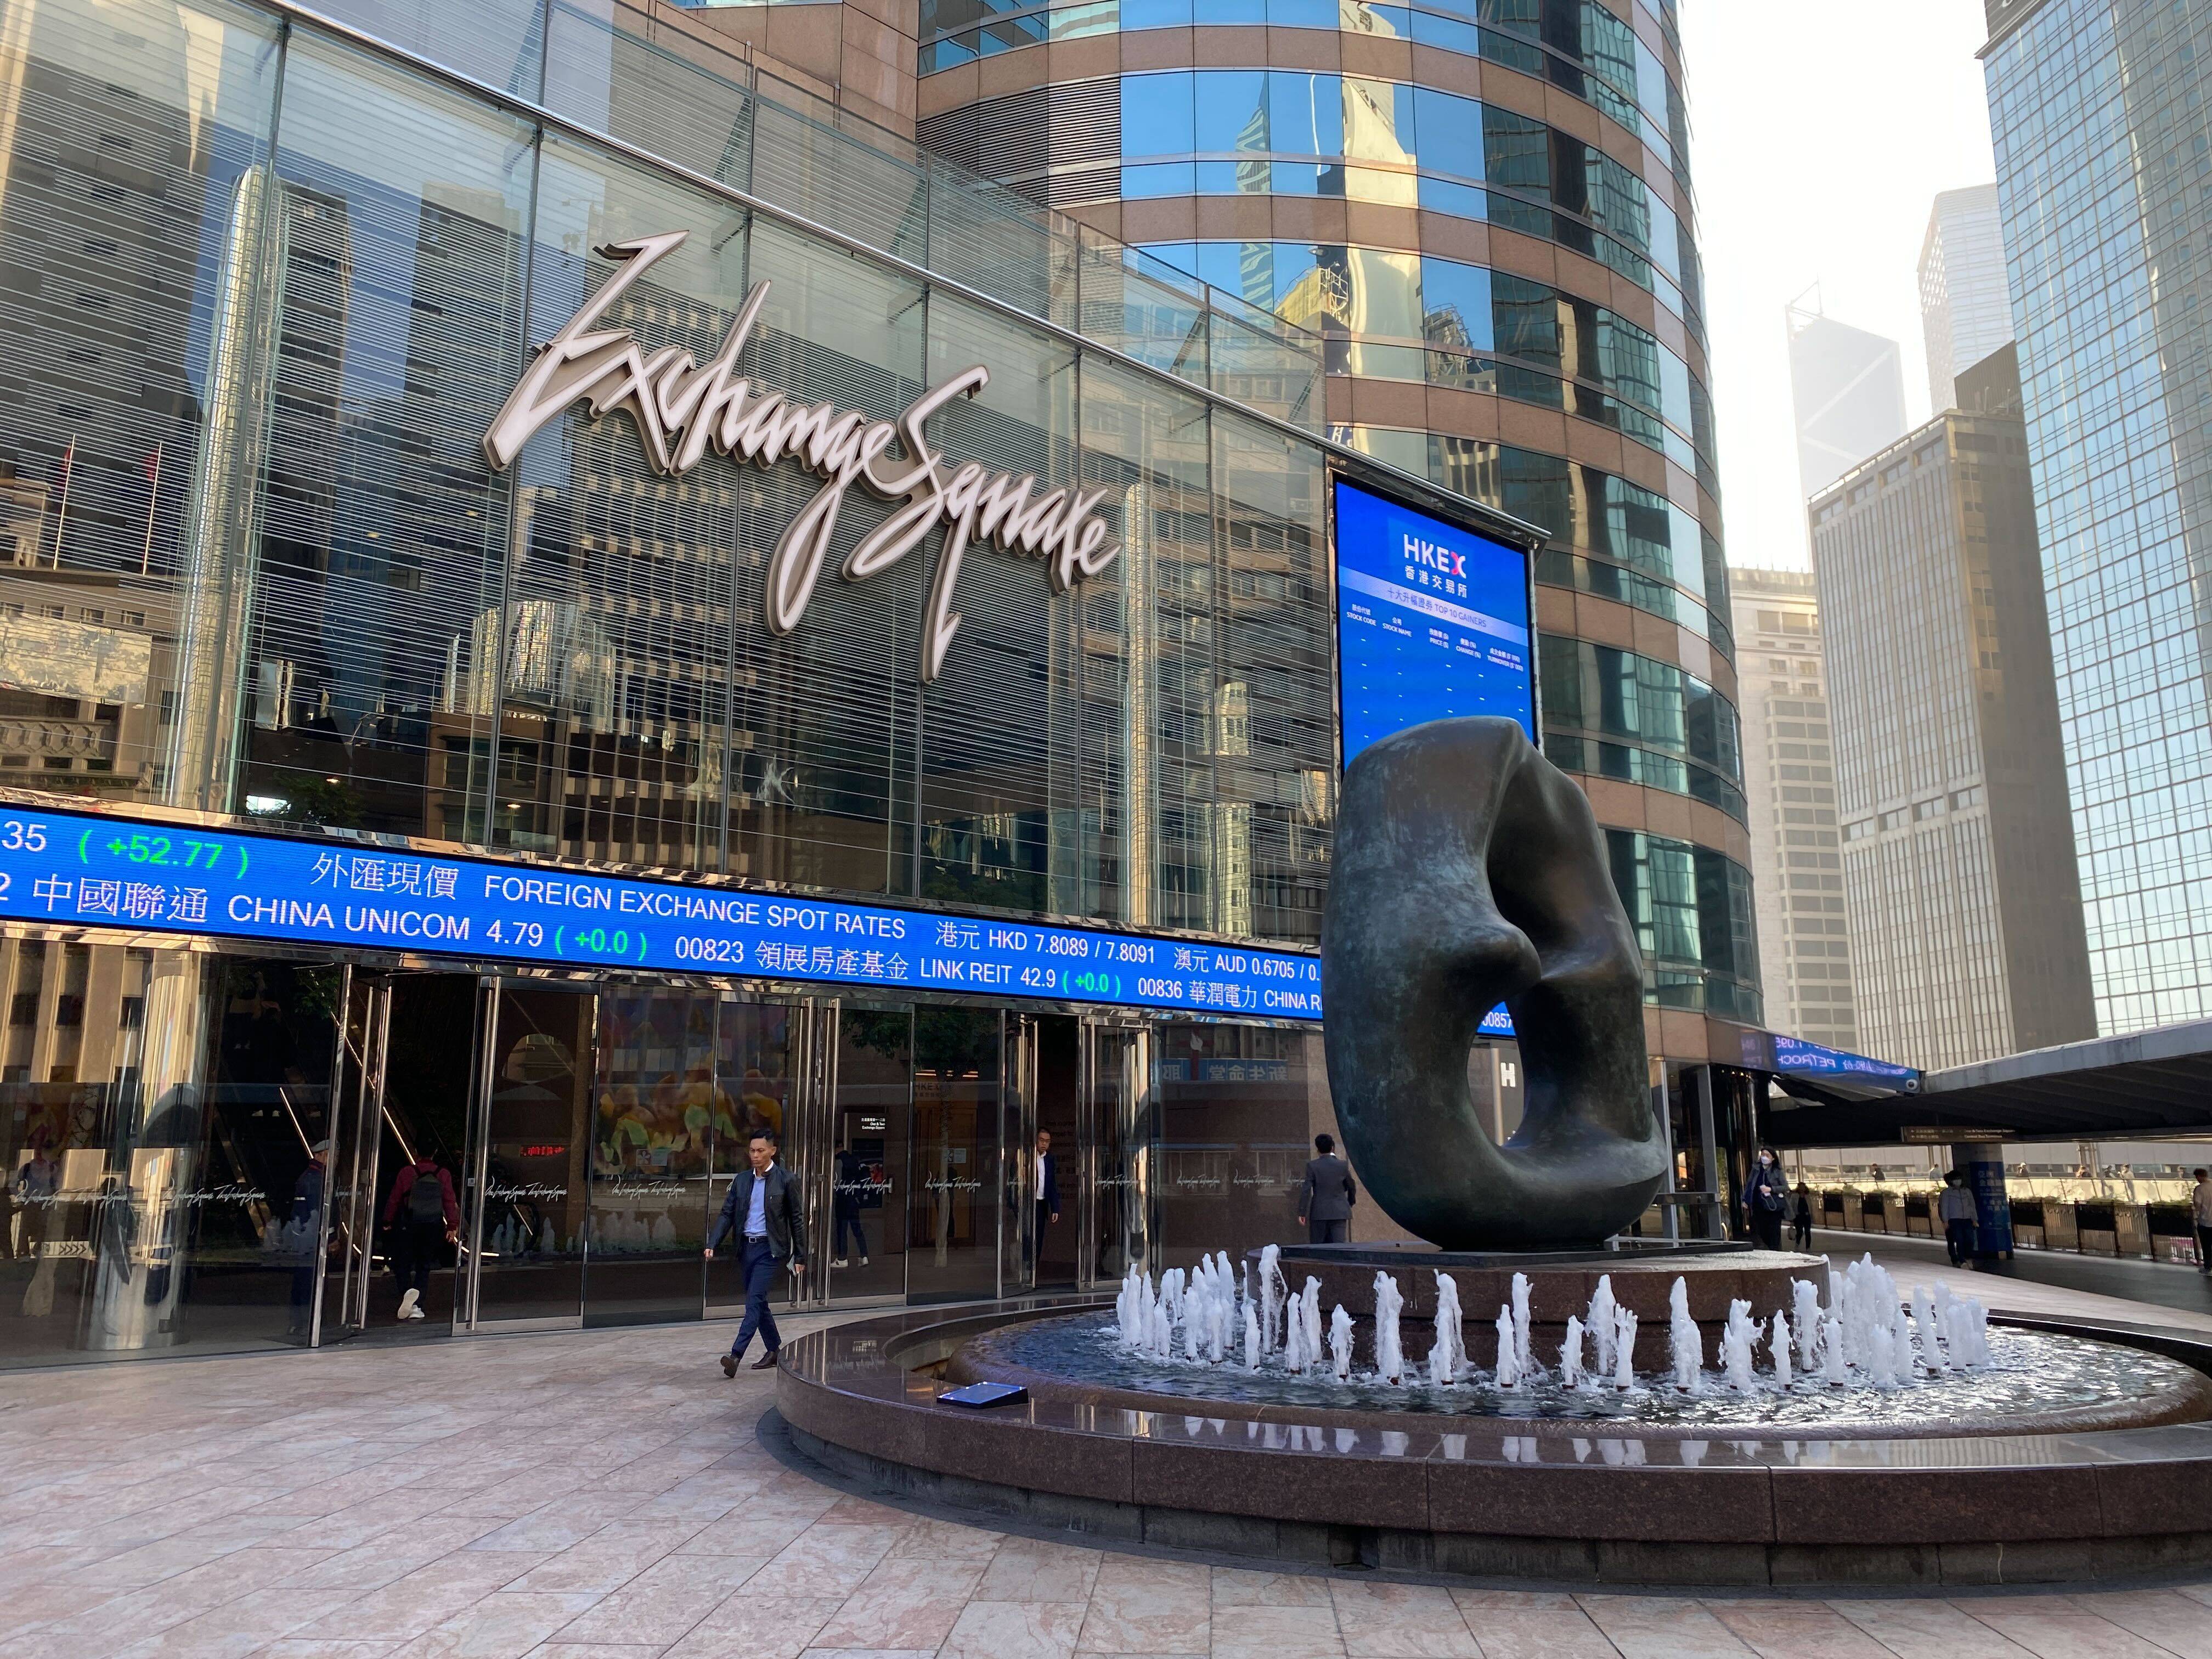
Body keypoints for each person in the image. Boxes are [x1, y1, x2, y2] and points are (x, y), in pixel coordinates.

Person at [705, 1128, 806, 1375]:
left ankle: (735, 1356)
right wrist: (712, 1242)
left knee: (753, 1302)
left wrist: (801, 1256)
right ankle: (774, 1350)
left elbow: (797, 1219)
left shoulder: (786, 1180)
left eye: (761, 1150)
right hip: (746, 1249)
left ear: (773, 1151)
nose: (755, 1155)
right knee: (759, 1302)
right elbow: (727, 1213)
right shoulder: (742, 1180)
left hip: (771, 1251)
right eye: (752, 1150)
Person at [382, 1152, 459, 1322]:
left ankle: (407, 1292)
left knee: (403, 1263)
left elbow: (395, 1198)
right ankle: (417, 1306)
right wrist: (452, 1224)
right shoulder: (443, 1174)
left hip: (408, 1224)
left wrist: (387, 1220)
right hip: (432, 1225)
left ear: (417, 1153)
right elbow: (449, 1200)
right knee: (424, 1265)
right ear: (435, 1152)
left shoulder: (407, 1172)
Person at [1297, 1133, 1356, 1245]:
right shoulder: (1342, 1165)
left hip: (1319, 1213)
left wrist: (1302, 1212)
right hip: (1340, 1212)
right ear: (1332, 1148)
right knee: (1339, 1248)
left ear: (1318, 1149)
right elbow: (1351, 1185)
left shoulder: (1312, 1166)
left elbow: (1306, 1190)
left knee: (1318, 1248)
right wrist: (1350, 1202)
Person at [831, 1140, 870, 1269]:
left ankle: (842, 1258)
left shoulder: (838, 1161)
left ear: (836, 1149)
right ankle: (864, 1256)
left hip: (843, 1199)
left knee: (842, 1229)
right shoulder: (855, 1160)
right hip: (854, 1199)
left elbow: (837, 1181)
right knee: (857, 1229)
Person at [1740, 1148, 1788, 1250]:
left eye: (1767, 1155)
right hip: (1759, 1205)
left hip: (1773, 1207)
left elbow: (1785, 1187)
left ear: (1773, 1158)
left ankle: (1775, 1251)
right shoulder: (1756, 1169)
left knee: (1774, 1232)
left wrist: (1771, 1189)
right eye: (1763, 1154)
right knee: (1762, 1231)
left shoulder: (1777, 1171)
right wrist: (1745, 1199)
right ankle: (1771, 1247)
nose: (1764, 1157)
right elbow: (1750, 1185)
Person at [1937, 1170, 1979, 1268]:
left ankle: (1968, 1258)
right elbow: (1944, 1207)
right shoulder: (1946, 1193)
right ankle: (1961, 1260)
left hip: (1967, 1219)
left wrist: (1974, 1219)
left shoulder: (1967, 1192)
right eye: (1955, 1179)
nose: (1958, 1181)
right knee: (1959, 1240)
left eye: (1959, 1179)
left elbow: (1972, 1206)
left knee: (1970, 1240)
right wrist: (1945, 1221)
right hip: (1954, 1220)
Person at [1032, 1129, 1060, 1267]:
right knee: (1027, 1238)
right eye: (1042, 1140)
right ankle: (1025, 1269)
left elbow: (1052, 1185)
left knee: (1038, 1238)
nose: (1044, 1144)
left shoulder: (1050, 1159)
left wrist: (1055, 1208)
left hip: (1042, 1203)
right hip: (1029, 1203)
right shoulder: (1028, 1156)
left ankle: (1034, 1270)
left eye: (1047, 1141)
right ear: (1036, 1140)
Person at [2192, 1167, 2211, 1276]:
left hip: (2205, 1222)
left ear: (2199, 1176)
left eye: (2197, 1177)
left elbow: (2197, 1205)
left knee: (2206, 1246)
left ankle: (2208, 1267)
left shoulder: (2200, 1189)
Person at [1790, 1181, 1814, 1251]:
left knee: (1808, 1232)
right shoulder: (1794, 1196)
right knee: (1800, 1232)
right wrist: (1791, 1217)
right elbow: (1791, 1206)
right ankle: (1797, 1244)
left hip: (1807, 1216)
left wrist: (1811, 1215)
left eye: (1803, 1187)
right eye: (1801, 1187)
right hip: (1798, 1216)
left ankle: (1808, 1247)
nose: (1802, 1189)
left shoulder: (1808, 1196)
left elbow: (1810, 1206)